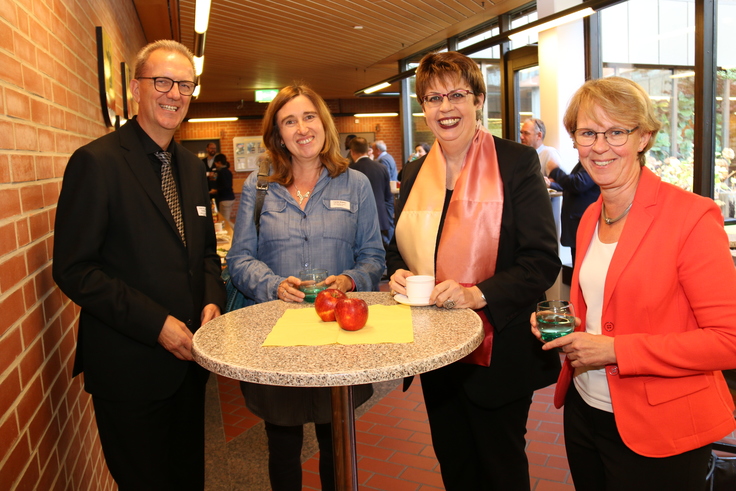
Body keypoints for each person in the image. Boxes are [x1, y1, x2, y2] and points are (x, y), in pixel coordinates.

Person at [531, 76, 736, 491]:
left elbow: (728, 339)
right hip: (585, 409)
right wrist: (571, 333)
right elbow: (605, 309)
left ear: (643, 137)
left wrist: (615, 350)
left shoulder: (691, 217)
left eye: (616, 132)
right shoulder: (591, 216)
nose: (600, 146)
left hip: (661, 427)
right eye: (587, 133)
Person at [52, 40, 225, 490]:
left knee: (188, 478)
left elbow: (204, 253)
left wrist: (211, 302)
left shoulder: (190, 167)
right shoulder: (96, 162)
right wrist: (157, 325)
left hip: (189, 367)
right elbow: (75, 269)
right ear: (135, 89)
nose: (174, 94)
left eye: (184, 84)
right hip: (129, 371)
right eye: (162, 81)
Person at [386, 51, 561, 491]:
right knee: (455, 465)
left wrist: (477, 293)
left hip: (499, 351)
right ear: (424, 108)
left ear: (478, 99)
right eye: (433, 98)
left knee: (500, 468)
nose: (445, 108)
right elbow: (398, 251)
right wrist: (398, 275)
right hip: (437, 352)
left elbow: (541, 259)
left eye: (457, 95)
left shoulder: (516, 163)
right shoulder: (412, 173)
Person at [227, 84, 385, 491]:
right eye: (289, 121)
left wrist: (351, 279)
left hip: (338, 337)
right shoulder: (259, 188)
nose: (302, 128)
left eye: (309, 117)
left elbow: (373, 256)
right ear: (278, 134)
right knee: (283, 449)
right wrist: (275, 285)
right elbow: (239, 260)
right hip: (277, 340)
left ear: (324, 124)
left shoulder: (355, 185)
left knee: (337, 449)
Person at [546, 160, 600, 266]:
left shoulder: (593, 162)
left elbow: (578, 184)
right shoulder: (583, 163)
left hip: (583, 225)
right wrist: (550, 184)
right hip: (576, 225)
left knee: (582, 267)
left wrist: (555, 170)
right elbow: (570, 188)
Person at [349, 136, 394, 246]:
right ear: (368, 151)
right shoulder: (381, 167)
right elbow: (388, 196)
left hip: (358, 221)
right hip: (381, 218)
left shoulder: (350, 170)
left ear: (352, 152)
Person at [520, 117, 563, 189]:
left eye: (526, 133)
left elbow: (559, 182)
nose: (521, 137)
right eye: (521, 133)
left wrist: (543, 182)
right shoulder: (522, 156)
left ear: (539, 135)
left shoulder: (549, 153)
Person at [211, 153, 235, 227]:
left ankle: (237, 233)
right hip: (230, 198)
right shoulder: (228, 171)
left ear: (219, 162)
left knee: (225, 221)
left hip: (225, 199)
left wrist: (215, 190)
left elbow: (225, 186)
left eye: (215, 162)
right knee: (225, 220)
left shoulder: (221, 172)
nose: (215, 164)